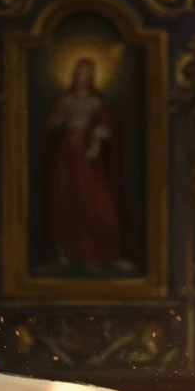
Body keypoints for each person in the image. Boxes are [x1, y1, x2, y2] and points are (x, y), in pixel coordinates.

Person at [42, 56, 123, 268]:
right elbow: (49, 128)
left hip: (89, 159)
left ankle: (95, 252)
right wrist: (58, 124)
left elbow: (108, 129)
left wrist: (98, 137)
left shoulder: (97, 103)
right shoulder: (65, 102)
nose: (83, 77)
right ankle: (67, 252)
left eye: (88, 73)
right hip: (66, 158)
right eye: (80, 72)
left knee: (94, 201)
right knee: (66, 200)